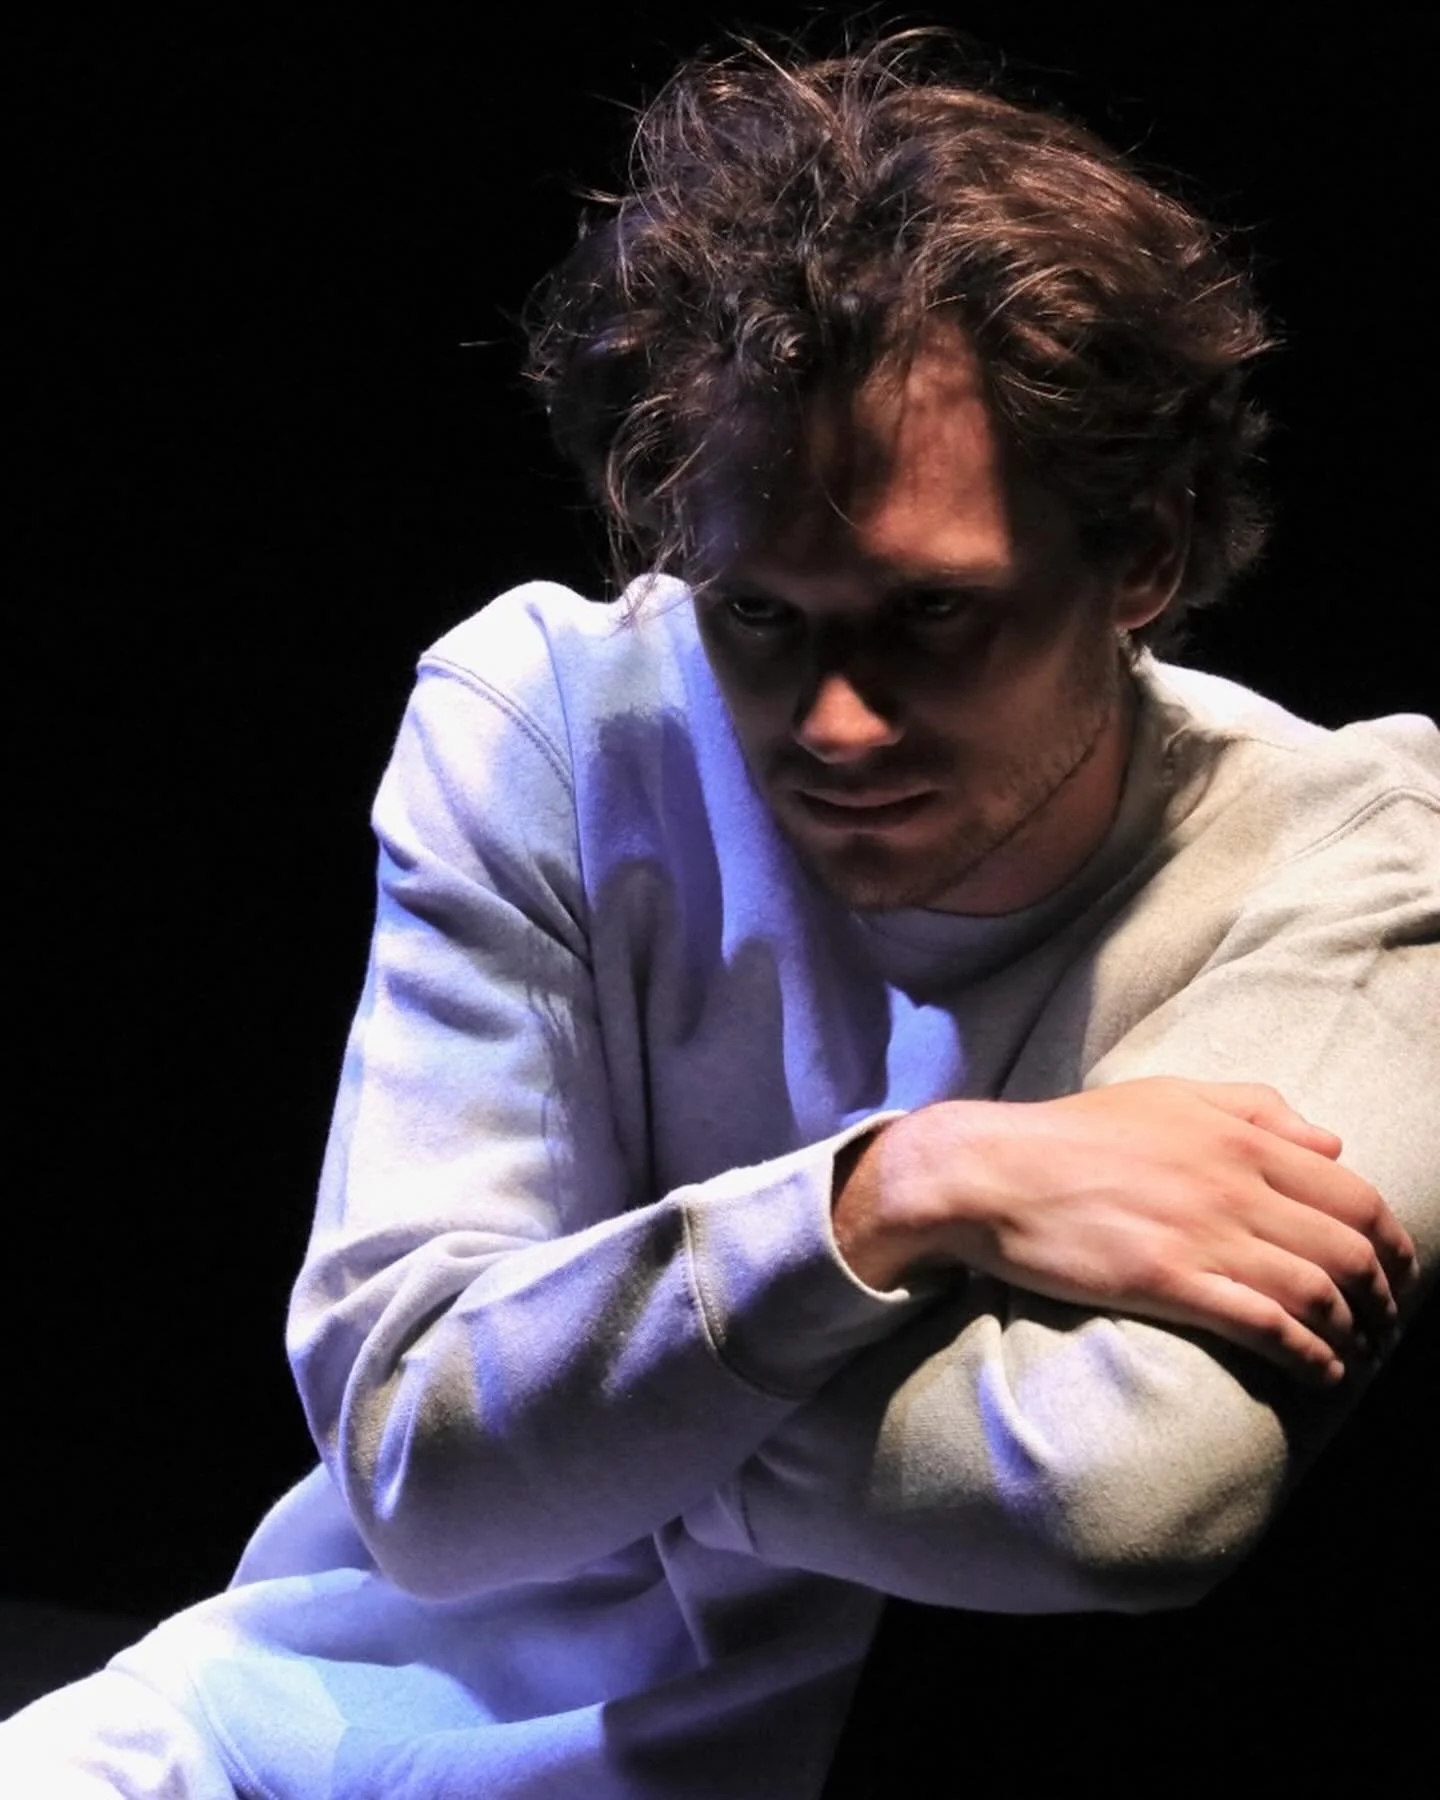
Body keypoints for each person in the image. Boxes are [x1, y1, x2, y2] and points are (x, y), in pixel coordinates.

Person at [4, 29, 1436, 1800]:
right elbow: (401, 1469)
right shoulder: (552, 718)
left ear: (1142, 553)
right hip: (283, 1723)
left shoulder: (1341, 850)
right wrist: (895, 1190)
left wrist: (560, 1429)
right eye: (757, 614)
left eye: (929, 614)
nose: (834, 722)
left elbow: (1117, 1495)